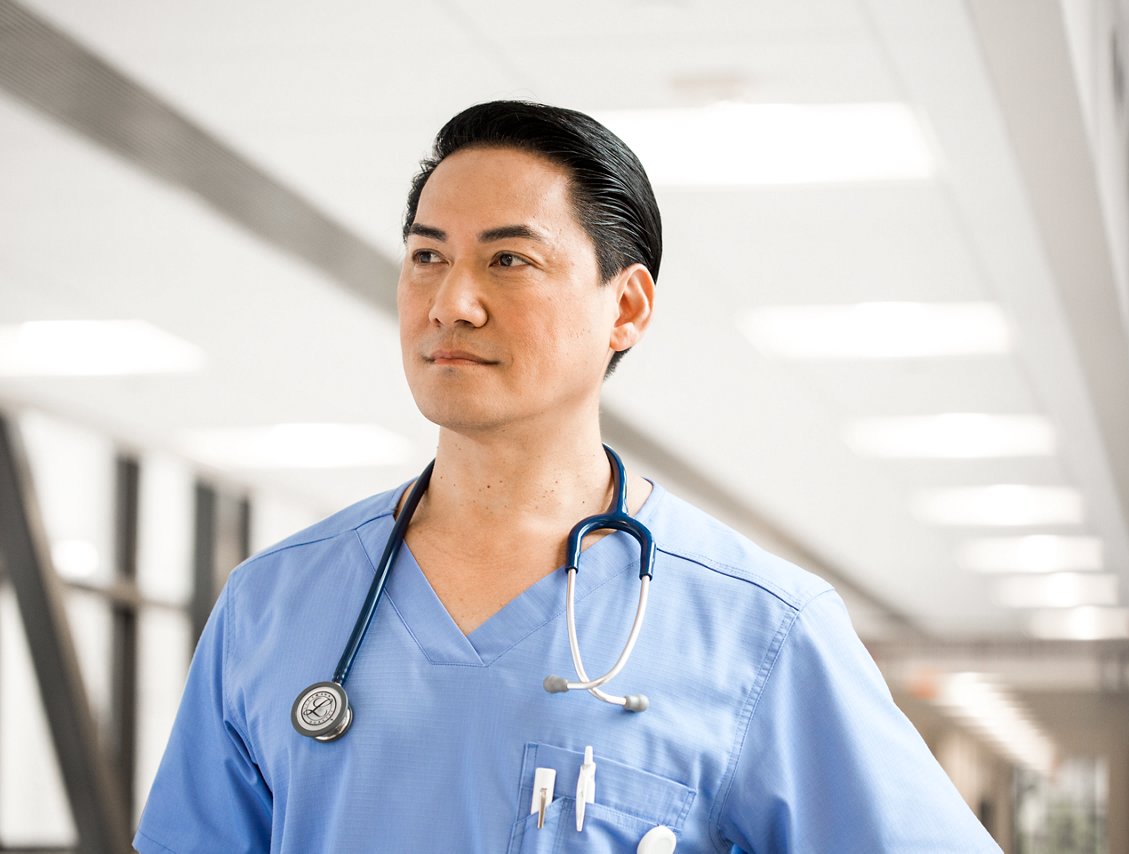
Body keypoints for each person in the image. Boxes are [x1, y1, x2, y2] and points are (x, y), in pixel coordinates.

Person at [134, 101, 999, 853]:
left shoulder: (759, 632)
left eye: (508, 260)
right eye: (427, 257)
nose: (450, 303)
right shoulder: (271, 605)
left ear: (625, 308)